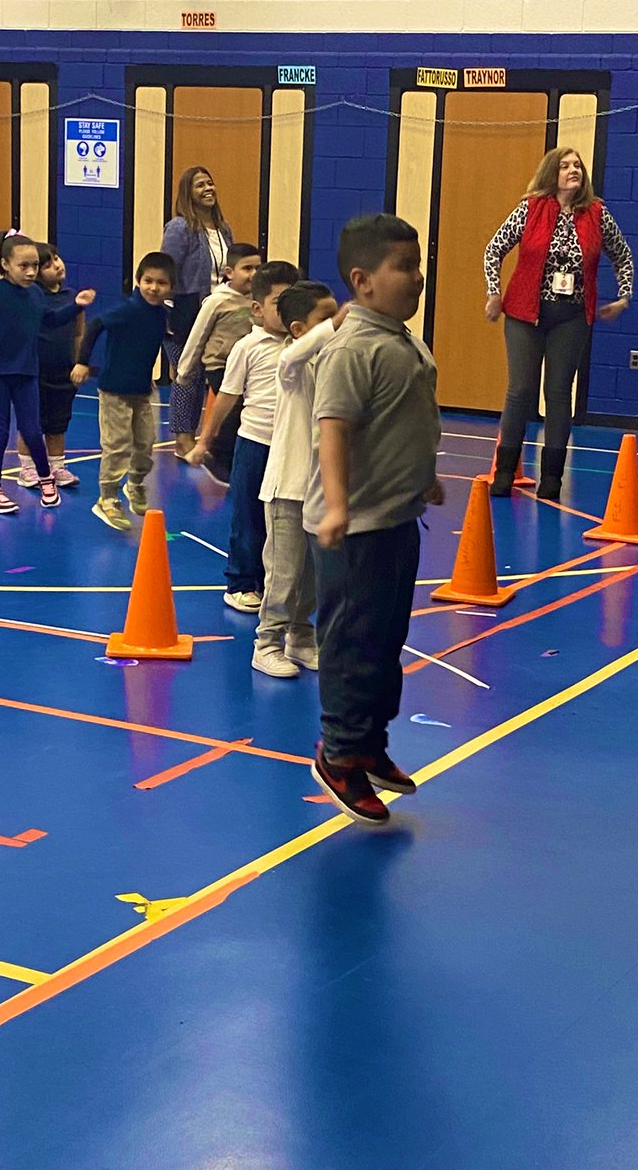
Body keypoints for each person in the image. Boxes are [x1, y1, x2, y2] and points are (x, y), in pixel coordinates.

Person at [304, 214, 443, 825]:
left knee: (387, 641)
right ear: (362, 280)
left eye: (418, 266)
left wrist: (422, 475)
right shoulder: (353, 349)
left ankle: (368, 743)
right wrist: (337, 505)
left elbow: (402, 424)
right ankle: (338, 753)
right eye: (405, 268)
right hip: (354, 529)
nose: (418, 278)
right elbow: (332, 430)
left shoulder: (402, 339)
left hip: (396, 519)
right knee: (352, 643)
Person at [483, 146, 634, 500]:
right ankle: (505, 471)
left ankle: (552, 477)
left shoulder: (597, 214)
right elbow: (494, 249)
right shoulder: (530, 208)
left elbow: (622, 255)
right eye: (565, 166)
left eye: (577, 165)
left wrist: (623, 296)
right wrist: (494, 292)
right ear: (552, 173)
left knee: (557, 393)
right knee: (520, 390)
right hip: (524, 313)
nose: (573, 170)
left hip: (572, 317)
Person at [0, 231, 95, 515]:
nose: (31, 272)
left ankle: (46, 479)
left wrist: (76, 306)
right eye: (23, 266)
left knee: (32, 430)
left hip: (27, 372)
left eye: (34, 266)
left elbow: (52, 320)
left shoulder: (34, 294)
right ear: (5, 264)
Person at [188, 260, 299, 612]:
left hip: (291, 446)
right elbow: (227, 397)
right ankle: (239, 582)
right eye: (279, 303)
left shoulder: (305, 347)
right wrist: (205, 440)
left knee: (283, 520)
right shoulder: (247, 348)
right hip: (254, 443)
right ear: (257, 308)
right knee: (248, 516)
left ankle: (274, 582)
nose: (287, 312)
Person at [253, 280, 342, 678]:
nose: (335, 324)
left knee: (312, 578)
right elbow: (298, 355)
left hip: (320, 492)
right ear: (298, 330)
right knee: (284, 576)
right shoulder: (290, 363)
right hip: (287, 490)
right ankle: (266, 643)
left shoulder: (332, 365)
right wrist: (340, 322)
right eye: (324, 317)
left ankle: (301, 638)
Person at [71, 251, 176, 531]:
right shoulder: (128, 310)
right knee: (117, 444)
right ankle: (107, 498)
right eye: (148, 281)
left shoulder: (160, 314)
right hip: (114, 389)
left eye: (161, 283)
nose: (154, 287)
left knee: (145, 443)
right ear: (138, 281)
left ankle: (135, 484)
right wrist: (83, 362)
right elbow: (95, 325)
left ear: (170, 287)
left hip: (141, 390)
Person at [161, 166, 234, 460]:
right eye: (200, 185)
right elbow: (166, 268)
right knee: (186, 375)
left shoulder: (224, 229)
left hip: (215, 314)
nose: (208, 189)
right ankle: (182, 439)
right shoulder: (180, 228)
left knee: (209, 378)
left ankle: (209, 437)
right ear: (187, 193)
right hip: (183, 312)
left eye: (211, 182)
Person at [174, 242, 261, 486]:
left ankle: (235, 462)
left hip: (247, 367)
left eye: (257, 268)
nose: (253, 274)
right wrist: (185, 370)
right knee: (232, 411)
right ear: (229, 272)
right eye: (247, 268)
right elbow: (198, 335)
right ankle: (218, 460)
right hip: (219, 364)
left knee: (245, 413)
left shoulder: (257, 300)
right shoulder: (217, 301)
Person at [16, 243, 83, 489]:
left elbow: (78, 333)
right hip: (35, 371)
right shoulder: (32, 298)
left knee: (58, 422)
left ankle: (57, 466)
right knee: (31, 422)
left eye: (57, 258)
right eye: (48, 264)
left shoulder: (71, 297)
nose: (57, 265)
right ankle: (27, 469)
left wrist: (79, 362)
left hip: (63, 371)